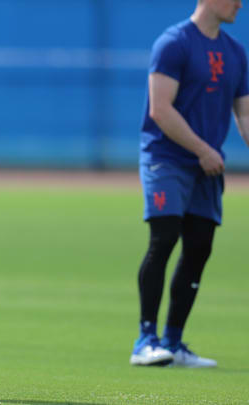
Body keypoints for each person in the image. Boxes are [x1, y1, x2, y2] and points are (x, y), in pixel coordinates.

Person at [131, 0, 249, 368]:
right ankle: (145, 340)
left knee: (199, 248)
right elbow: (160, 110)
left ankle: (174, 342)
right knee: (164, 238)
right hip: (167, 159)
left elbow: (245, 112)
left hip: (206, 166)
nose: (239, 4)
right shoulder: (173, 43)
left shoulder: (235, 52)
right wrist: (202, 149)